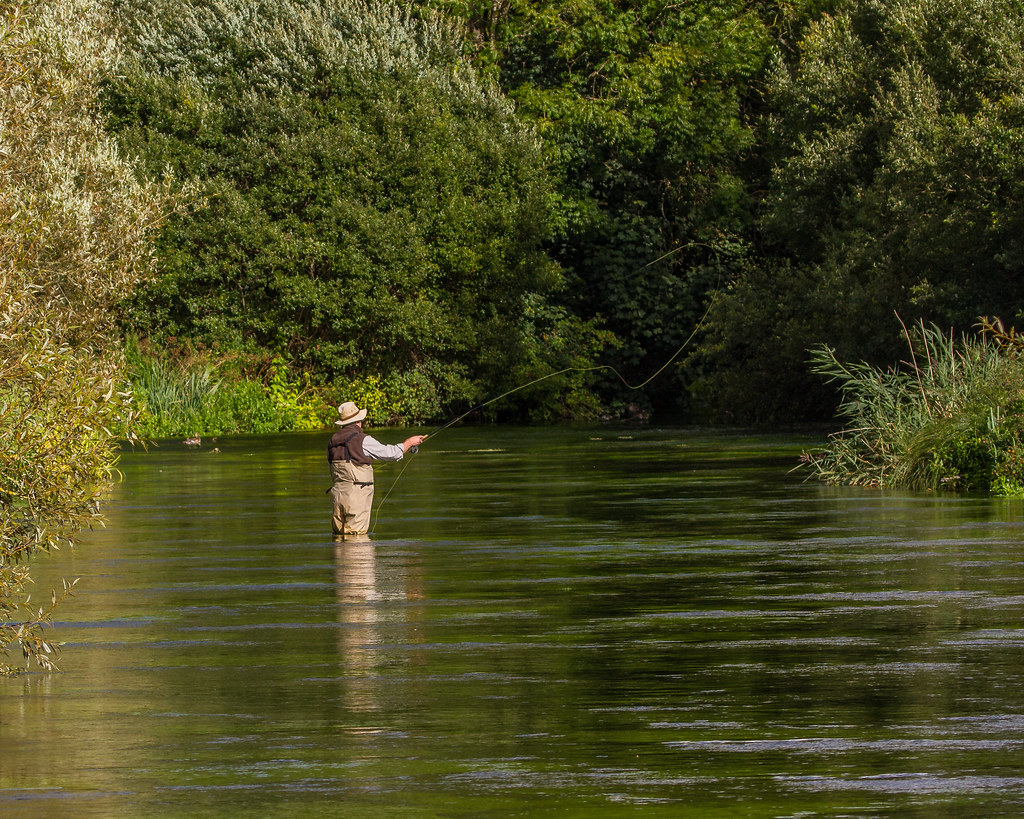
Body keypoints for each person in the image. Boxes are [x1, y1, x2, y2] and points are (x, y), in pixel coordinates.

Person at [327, 401, 425, 537]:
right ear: (358, 421)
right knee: (356, 538)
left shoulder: (333, 441)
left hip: (337, 496)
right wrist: (408, 443)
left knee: (338, 537)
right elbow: (390, 453)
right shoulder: (362, 439)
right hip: (357, 497)